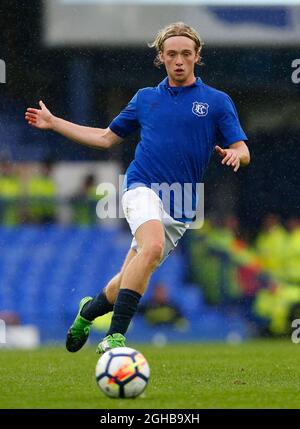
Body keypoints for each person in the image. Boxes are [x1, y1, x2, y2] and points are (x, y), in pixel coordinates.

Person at [25, 22, 250, 354]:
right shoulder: (145, 99)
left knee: (130, 273)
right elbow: (105, 138)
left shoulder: (216, 102)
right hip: (141, 186)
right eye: (171, 54)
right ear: (161, 57)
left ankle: (87, 313)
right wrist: (54, 122)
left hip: (182, 205)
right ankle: (115, 338)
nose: (178, 60)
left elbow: (243, 149)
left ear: (197, 56)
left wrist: (235, 153)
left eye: (186, 54)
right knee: (153, 247)